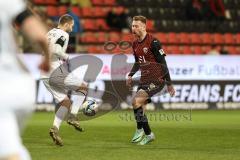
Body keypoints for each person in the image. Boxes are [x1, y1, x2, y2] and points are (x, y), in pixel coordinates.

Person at [0, 0, 50, 159]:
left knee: (9, 153)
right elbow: (41, 36)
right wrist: (47, 60)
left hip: (3, 90)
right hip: (21, 85)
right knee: (11, 145)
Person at [126, 16, 175, 145]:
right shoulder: (135, 43)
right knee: (139, 106)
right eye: (132, 26)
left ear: (143, 27)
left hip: (156, 79)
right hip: (144, 79)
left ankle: (146, 133)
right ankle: (142, 131)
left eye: (136, 26)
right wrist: (131, 74)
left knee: (135, 102)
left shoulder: (153, 42)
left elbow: (163, 63)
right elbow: (138, 61)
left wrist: (169, 84)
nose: (133, 28)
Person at [41, 14, 88, 146]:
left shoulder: (49, 33)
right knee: (84, 87)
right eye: (72, 26)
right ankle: (73, 116)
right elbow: (56, 50)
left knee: (65, 102)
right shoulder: (63, 34)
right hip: (54, 71)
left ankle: (55, 129)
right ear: (66, 24)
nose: (72, 29)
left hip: (44, 74)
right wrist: (67, 57)